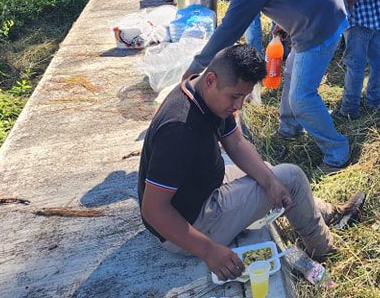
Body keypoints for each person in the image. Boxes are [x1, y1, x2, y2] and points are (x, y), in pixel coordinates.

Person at [143, 43, 365, 280]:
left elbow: (236, 143)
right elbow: (153, 210)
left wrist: (269, 181)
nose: (238, 106)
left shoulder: (204, 94)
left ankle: (328, 213)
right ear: (210, 80)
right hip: (188, 224)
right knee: (291, 177)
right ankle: (325, 250)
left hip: (201, 190)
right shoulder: (179, 129)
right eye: (235, 96)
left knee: (270, 174)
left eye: (244, 96)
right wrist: (208, 250)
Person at [185, 0, 352, 171]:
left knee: (302, 98)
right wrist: (283, 24)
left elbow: (230, 28)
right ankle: (289, 129)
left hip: (318, 28)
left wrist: (197, 64)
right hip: (332, 11)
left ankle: (337, 153)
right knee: (291, 73)